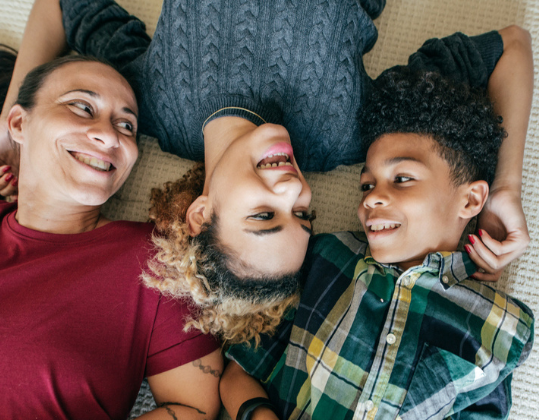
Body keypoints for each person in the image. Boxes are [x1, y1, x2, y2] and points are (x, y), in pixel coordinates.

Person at [0, 0, 531, 342]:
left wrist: (10, 118)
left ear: (201, 212)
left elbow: (59, 5)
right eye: (304, 214)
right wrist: (505, 187)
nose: (293, 186)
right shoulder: (352, 131)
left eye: (265, 214)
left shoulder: (149, 107)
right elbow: (510, 47)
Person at [220, 68, 535, 420]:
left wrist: (505, 189)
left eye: (401, 179)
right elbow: (238, 371)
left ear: (471, 199)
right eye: (366, 186)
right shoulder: (325, 259)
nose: (372, 200)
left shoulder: (499, 326)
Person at [0, 47, 222, 420]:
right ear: (19, 125)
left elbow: (196, 409)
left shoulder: (159, 262)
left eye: (127, 126)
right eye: (82, 108)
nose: (109, 136)